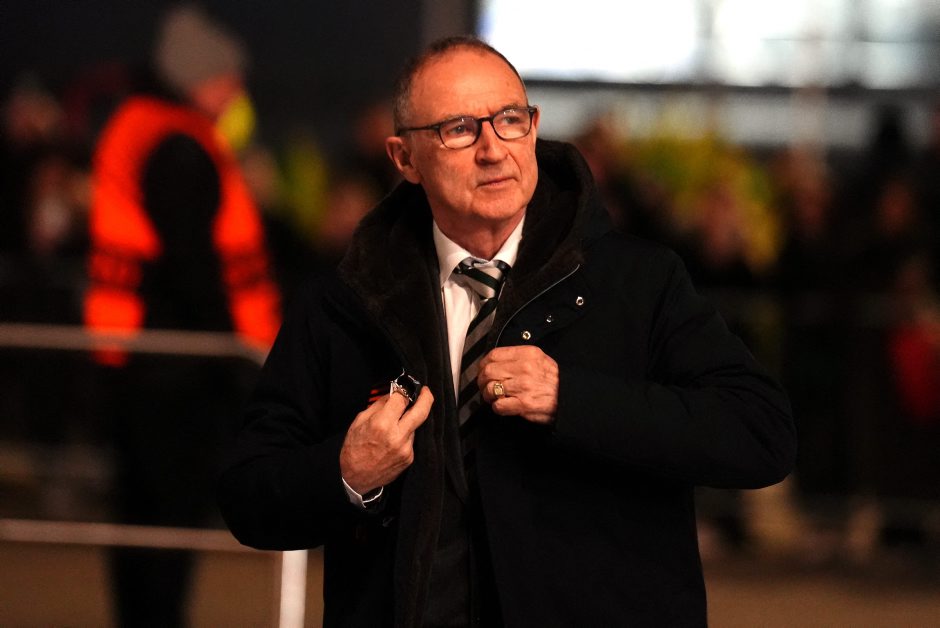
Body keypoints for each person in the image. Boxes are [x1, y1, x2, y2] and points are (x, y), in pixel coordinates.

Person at [218, 36, 796, 627]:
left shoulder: (638, 281)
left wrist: (572, 399)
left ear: (534, 128)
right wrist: (346, 473)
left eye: (510, 120)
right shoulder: (345, 301)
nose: (493, 150)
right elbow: (247, 494)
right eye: (459, 129)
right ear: (405, 158)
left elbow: (762, 433)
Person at [84, 6, 280, 627]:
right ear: (196, 79)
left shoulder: (140, 128)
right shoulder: (182, 148)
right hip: (175, 371)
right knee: (167, 523)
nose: (236, 92)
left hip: (135, 357)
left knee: (140, 520)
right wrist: (232, 361)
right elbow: (195, 268)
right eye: (226, 79)